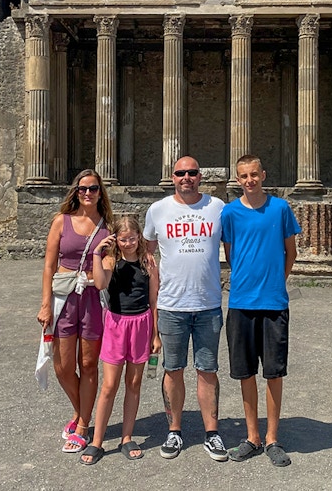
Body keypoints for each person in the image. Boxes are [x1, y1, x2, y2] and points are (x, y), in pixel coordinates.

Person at [143, 156, 228, 462]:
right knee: (173, 369)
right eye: (181, 173)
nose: (187, 177)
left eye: (192, 173)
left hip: (207, 306)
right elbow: (147, 257)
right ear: (172, 177)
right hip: (171, 306)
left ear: (200, 177)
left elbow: (234, 251)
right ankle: (174, 431)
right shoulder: (158, 210)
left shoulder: (217, 207)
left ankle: (212, 433)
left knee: (208, 370)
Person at [221, 155, 301, 466]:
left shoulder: (280, 208)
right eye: (244, 176)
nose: (250, 180)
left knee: (274, 373)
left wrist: (275, 283)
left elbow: (290, 252)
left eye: (254, 174)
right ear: (237, 179)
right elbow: (231, 254)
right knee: (245, 373)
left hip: (274, 303)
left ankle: (272, 438)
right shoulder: (230, 213)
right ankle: (252, 436)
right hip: (241, 302)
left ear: (263, 175)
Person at [37, 169, 113, 453]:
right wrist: (45, 304)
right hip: (64, 298)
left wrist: (101, 272)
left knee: (89, 364)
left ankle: (82, 425)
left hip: (93, 298)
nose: (88, 194)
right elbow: (48, 265)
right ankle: (82, 412)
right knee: (63, 367)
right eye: (83, 189)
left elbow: (109, 264)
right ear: (76, 192)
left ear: (100, 192)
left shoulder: (108, 227)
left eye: (93, 189)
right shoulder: (62, 221)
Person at [80, 216, 161, 466]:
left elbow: (154, 298)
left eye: (132, 239)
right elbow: (100, 284)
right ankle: (97, 442)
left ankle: (126, 437)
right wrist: (96, 252)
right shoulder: (110, 260)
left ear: (139, 237)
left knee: (134, 382)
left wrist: (155, 335)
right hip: (116, 324)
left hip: (141, 323)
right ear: (116, 239)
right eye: (123, 239)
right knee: (109, 385)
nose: (128, 243)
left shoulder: (148, 262)